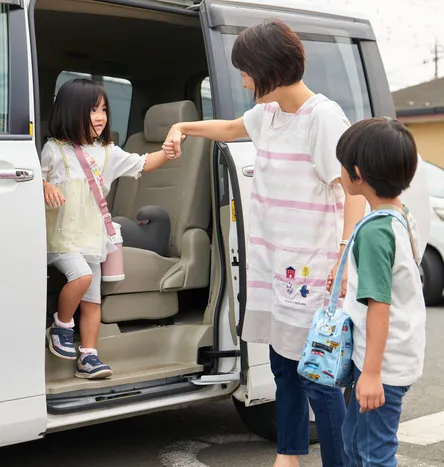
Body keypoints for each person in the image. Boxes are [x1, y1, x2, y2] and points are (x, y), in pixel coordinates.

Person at [162, 19, 366, 467]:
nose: (242, 80)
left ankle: (341, 462)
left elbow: (353, 190)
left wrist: (346, 259)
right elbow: (232, 128)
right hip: (274, 263)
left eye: (245, 70)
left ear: (269, 68)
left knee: (319, 376)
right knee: (282, 366)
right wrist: (185, 129)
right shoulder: (268, 114)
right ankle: (289, 455)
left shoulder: (323, 117)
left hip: (314, 267)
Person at [42, 78, 177, 379]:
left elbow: (142, 164)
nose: (101, 116)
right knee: (82, 276)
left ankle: (89, 357)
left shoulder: (108, 152)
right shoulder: (54, 150)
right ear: (70, 111)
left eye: (104, 109)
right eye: (92, 110)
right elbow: (33, 179)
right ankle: (62, 326)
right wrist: (46, 185)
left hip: (93, 237)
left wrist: (166, 153)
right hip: (63, 237)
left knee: (92, 301)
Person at [330, 118, 425, 467]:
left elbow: (379, 304)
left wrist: (370, 375)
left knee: (373, 454)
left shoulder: (375, 232)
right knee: (354, 441)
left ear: (357, 173)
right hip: (391, 356)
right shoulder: (398, 215)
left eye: (341, 164)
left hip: (380, 365)